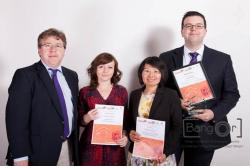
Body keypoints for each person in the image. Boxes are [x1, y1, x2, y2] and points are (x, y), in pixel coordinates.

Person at [159, 11, 240, 166]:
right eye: (188, 26)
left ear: (205, 30)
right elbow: (159, 90)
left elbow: (232, 94)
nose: (193, 29)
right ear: (182, 31)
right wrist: (176, 101)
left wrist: (214, 113)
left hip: (206, 130)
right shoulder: (166, 58)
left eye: (198, 26)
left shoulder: (222, 59)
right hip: (171, 129)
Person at [5, 28, 79, 166]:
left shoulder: (72, 76)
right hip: (35, 153)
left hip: (66, 150)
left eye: (58, 45)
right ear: (39, 50)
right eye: (47, 45)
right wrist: (20, 157)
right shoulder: (25, 76)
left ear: (64, 50)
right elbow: (16, 121)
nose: (53, 50)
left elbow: (71, 112)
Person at [127, 56, 182, 166]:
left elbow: (177, 127)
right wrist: (130, 133)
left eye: (156, 71)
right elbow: (130, 122)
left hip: (161, 155)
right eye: (146, 71)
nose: (151, 75)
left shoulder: (171, 95)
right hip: (137, 153)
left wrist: (166, 152)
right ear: (141, 73)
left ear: (162, 74)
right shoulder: (134, 94)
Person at [78, 52, 128, 166]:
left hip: (114, 147)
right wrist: (87, 117)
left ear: (115, 70)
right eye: (101, 67)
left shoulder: (122, 92)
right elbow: (79, 121)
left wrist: (124, 137)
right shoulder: (85, 92)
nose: (105, 71)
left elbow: (125, 121)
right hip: (90, 147)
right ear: (95, 69)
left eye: (110, 67)